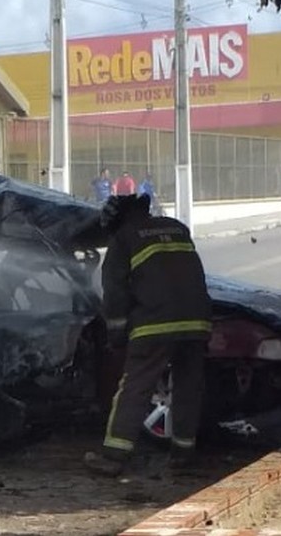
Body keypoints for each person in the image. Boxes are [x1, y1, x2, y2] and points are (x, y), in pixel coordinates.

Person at [84, 193, 212, 477]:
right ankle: (182, 453)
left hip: (154, 324)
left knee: (135, 387)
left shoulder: (123, 239)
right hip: (197, 321)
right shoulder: (176, 227)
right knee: (188, 386)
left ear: (116, 219)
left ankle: (115, 456)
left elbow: (115, 295)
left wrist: (116, 334)